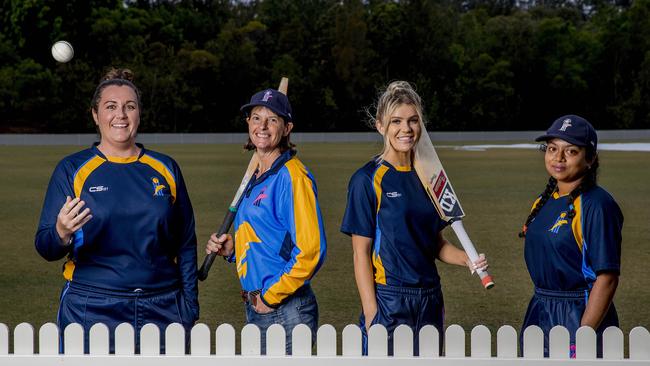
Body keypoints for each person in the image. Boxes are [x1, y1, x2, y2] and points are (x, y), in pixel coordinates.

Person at [35, 68, 199, 353]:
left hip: (162, 306)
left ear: (139, 114)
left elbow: (185, 243)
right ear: (96, 115)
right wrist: (61, 232)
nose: (121, 115)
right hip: (92, 306)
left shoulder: (166, 168)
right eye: (110, 107)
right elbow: (45, 246)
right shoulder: (72, 169)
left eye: (129, 106)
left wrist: (189, 306)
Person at [340, 81, 488, 355]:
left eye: (413, 120)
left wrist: (466, 259)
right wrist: (373, 313)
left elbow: (435, 243)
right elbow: (361, 254)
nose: (406, 129)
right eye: (396, 121)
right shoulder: (367, 179)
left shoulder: (430, 177)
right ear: (380, 125)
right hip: (390, 298)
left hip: (430, 297)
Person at [205, 86, 327, 354]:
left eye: (273, 119)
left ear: (287, 128)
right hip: (258, 306)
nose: (263, 125)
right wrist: (233, 249)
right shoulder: (257, 176)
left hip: (286, 309)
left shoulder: (292, 177)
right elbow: (269, 239)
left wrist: (270, 297)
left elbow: (311, 251)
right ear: (248, 123)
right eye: (257, 117)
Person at [519, 115, 622, 357]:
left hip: (578, 313)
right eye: (552, 148)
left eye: (571, 151)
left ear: (590, 159)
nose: (558, 157)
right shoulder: (542, 202)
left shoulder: (597, 205)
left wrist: (583, 336)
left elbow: (606, 278)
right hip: (540, 310)